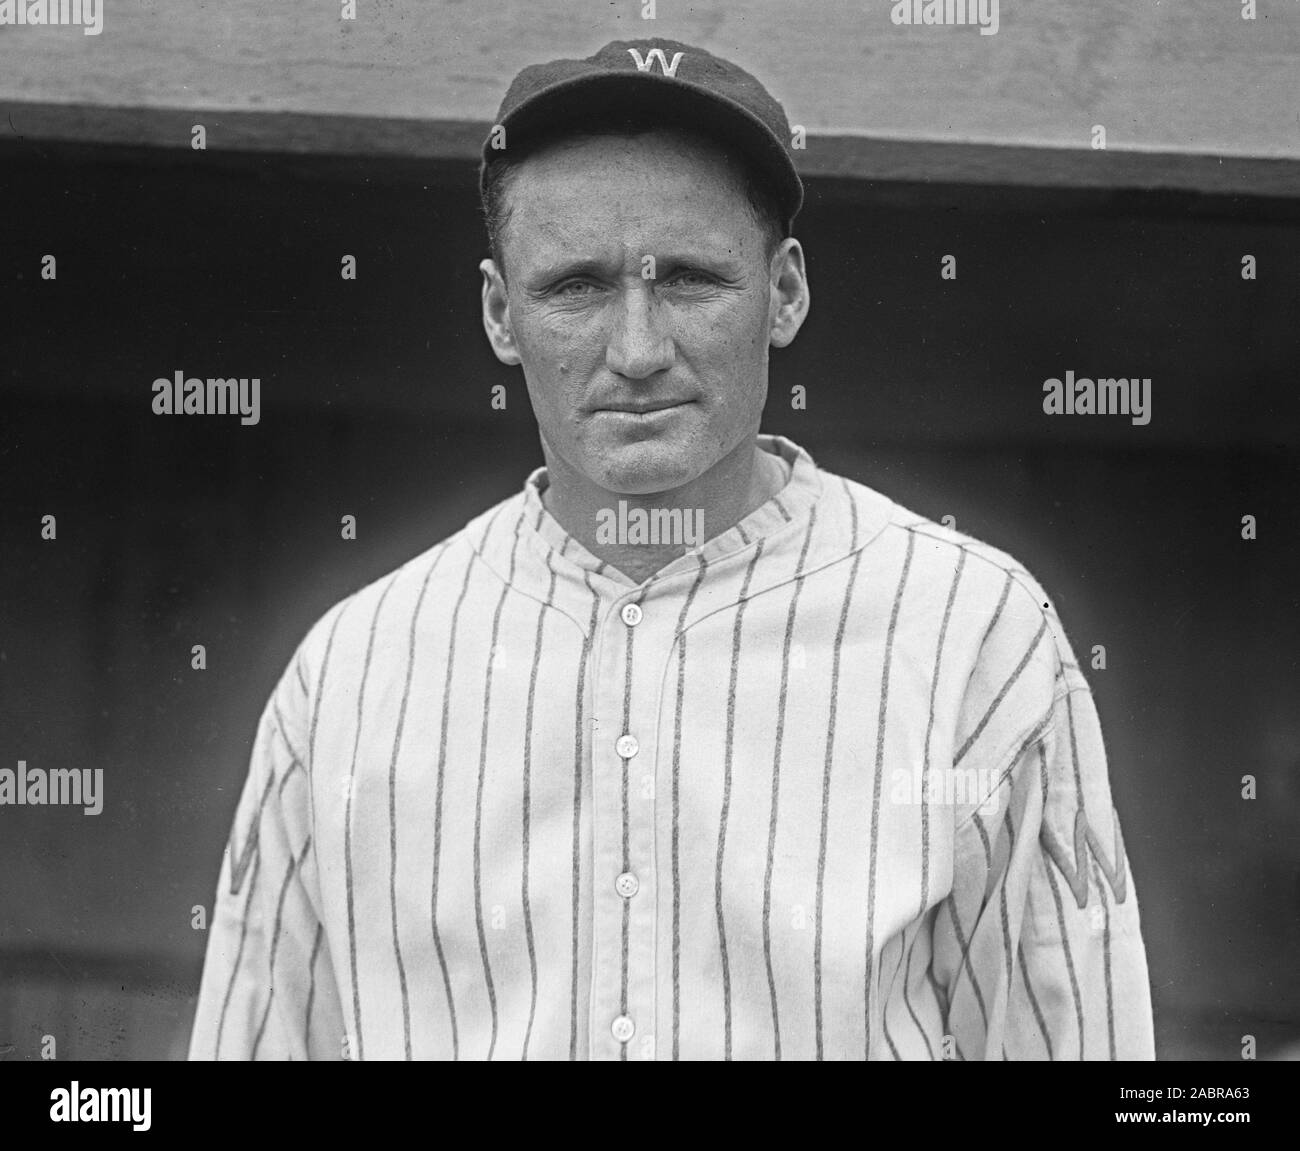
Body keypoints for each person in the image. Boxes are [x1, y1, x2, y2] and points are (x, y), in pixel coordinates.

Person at [189, 37, 1154, 1060]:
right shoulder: (352, 671)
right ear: (497, 313)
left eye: (690, 279)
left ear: (783, 293)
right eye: (575, 286)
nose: (639, 349)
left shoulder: (970, 633)